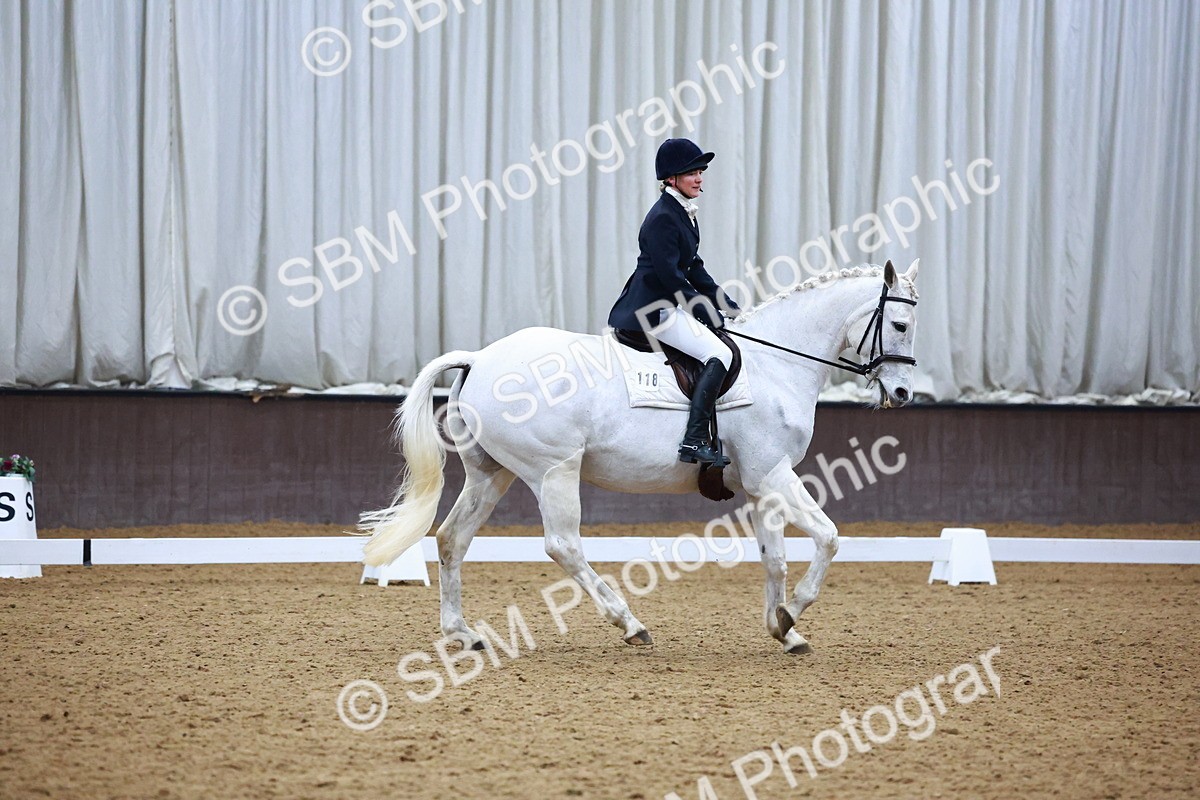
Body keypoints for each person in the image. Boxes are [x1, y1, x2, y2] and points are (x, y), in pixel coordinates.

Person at [608, 138, 741, 466]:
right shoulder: (665, 217)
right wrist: (704, 310)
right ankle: (693, 440)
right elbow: (670, 277)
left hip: (664, 302)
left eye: (700, 172)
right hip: (652, 309)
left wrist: (726, 304)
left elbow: (694, 266)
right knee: (719, 353)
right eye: (691, 173)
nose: (699, 178)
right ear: (670, 178)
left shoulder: (682, 212)